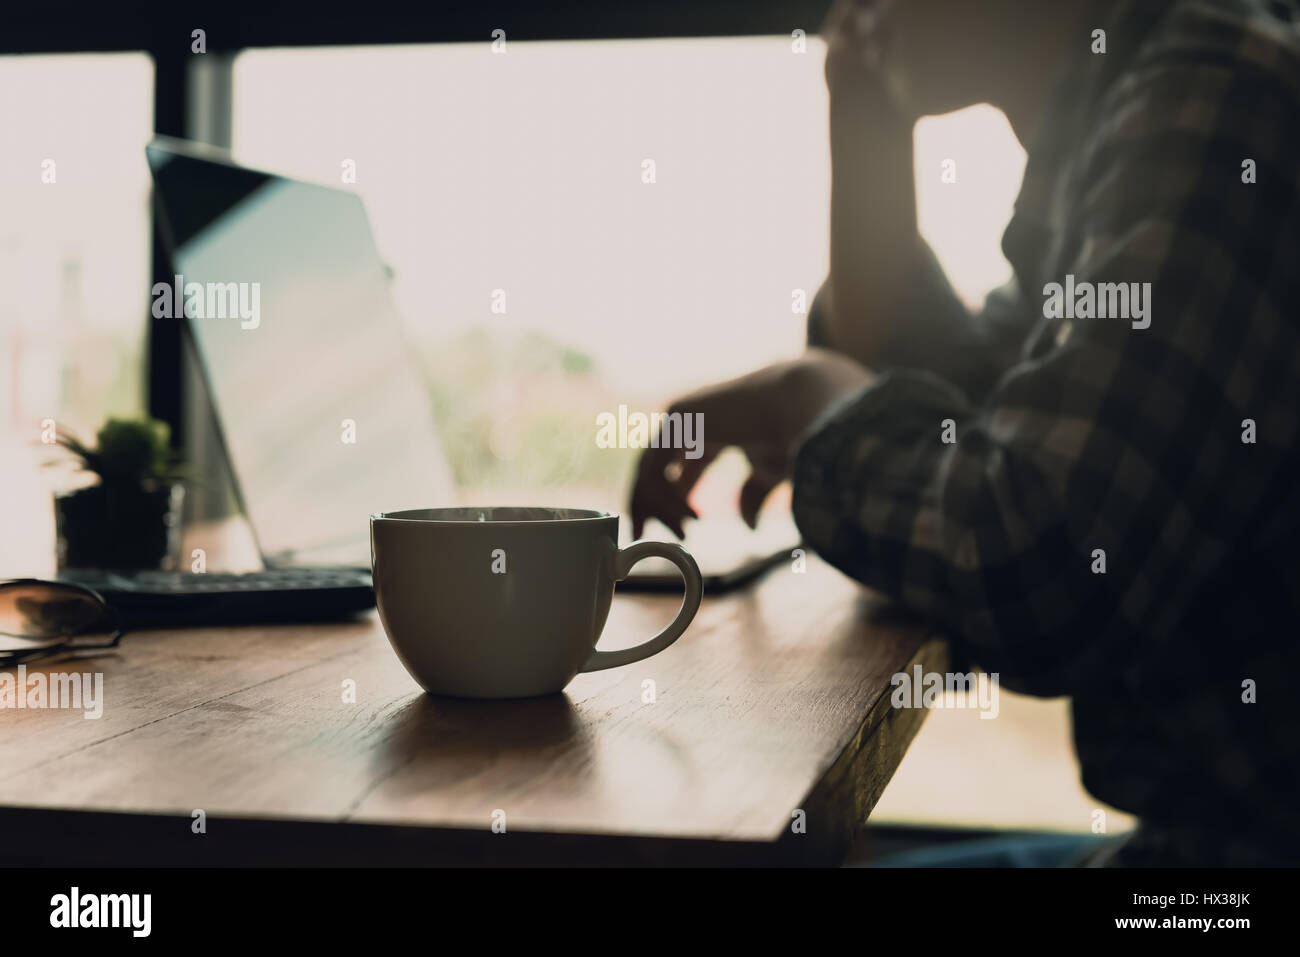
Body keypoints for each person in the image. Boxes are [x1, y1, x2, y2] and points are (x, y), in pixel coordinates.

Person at [629, 0, 1300, 866]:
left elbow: (1040, 561)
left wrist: (813, 402)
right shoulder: (1129, 115)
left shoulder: (1219, 97)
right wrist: (863, 118)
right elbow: (962, 398)